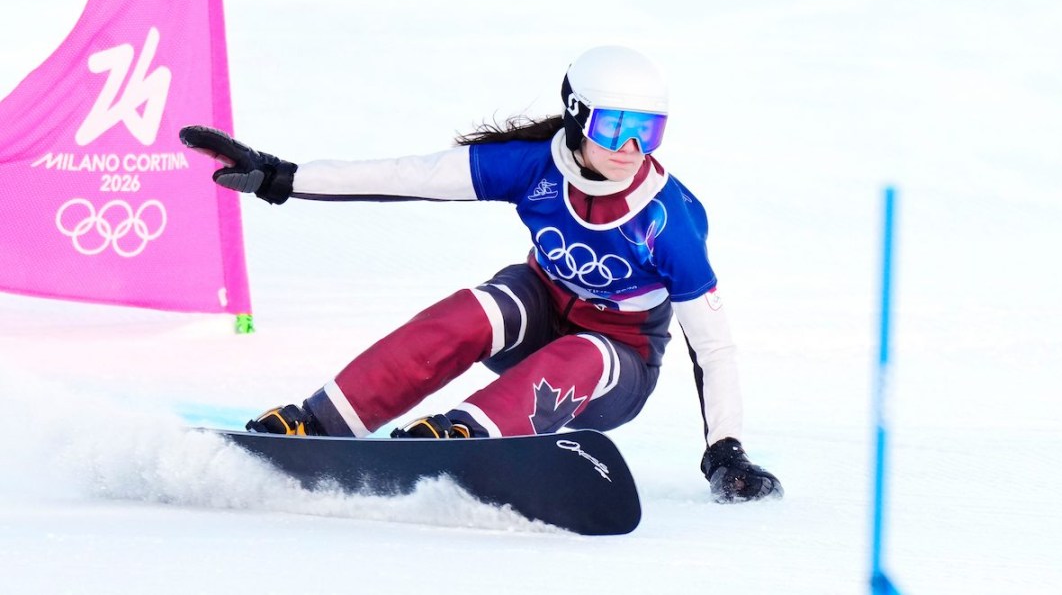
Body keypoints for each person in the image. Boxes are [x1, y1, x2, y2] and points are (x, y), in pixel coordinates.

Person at [180, 45, 782, 503]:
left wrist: (724, 450)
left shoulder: (667, 219)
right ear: (576, 118)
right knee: (475, 308)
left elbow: (714, 345)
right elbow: (408, 176)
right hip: (538, 310)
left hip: (616, 364)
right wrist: (284, 177)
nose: (630, 148)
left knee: (585, 353)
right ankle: (319, 423)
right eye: (613, 127)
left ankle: (466, 435)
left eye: (646, 131)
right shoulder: (533, 168)